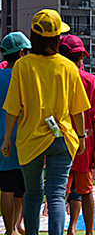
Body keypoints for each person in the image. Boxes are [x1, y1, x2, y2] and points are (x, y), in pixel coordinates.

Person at [0, 9, 91, 234]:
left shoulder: (22, 66)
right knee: (57, 195)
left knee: (32, 194)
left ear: (34, 35)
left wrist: (6, 139)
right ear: (57, 37)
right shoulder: (68, 67)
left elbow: (13, 108)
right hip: (62, 137)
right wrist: (81, 138)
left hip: (29, 138)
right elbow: (77, 110)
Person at [59, 34, 95, 235]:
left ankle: (67, 228)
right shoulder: (91, 80)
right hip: (85, 141)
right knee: (85, 190)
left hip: (58, 140)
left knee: (58, 191)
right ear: (81, 56)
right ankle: (87, 232)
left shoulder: (56, 76)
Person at [0, 31, 31, 235]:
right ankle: (14, 226)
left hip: (2, 137)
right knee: (22, 186)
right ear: (21, 53)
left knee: (6, 186)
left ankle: (9, 228)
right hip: (25, 136)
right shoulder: (27, 76)